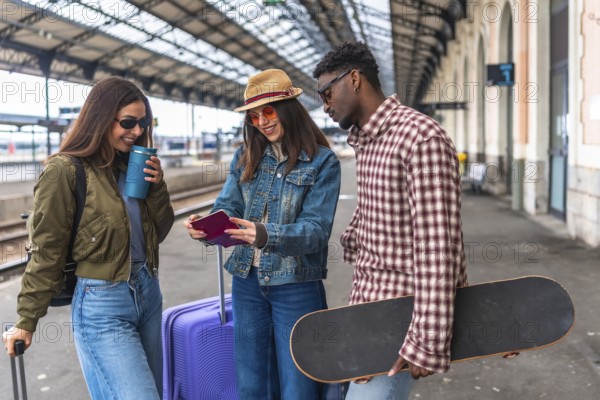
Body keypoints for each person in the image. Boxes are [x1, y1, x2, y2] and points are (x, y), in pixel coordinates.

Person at [313, 42, 468, 399]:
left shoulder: (419, 138)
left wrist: (427, 340)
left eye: (327, 92)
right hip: (366, 309)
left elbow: (438, 249)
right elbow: (382, 213)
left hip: (401, 319)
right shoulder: (367, 142)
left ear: (354, 79)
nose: (325, 105)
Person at [2, 76, 174, 399]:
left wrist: (157, 187)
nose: (137, 131)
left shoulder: (132, 165)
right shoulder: (65, 171)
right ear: (100, 118)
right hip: (103, 303)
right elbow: (46, 251)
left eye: (143, 122)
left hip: (149, 293)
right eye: (128, 122)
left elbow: (160, 231)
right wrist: (27, 319)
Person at [185, 69, 341, 399]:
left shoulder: (322, 162)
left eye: (268, 111)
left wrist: (263, 234)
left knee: (298, 384)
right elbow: (227, 208)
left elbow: (315, 232)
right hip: (247, 282)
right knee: (252, 382)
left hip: (296, 285)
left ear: (288, 108)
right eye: (254, 117)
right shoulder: (246, 156)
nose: (262, 122)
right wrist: (206, 226)